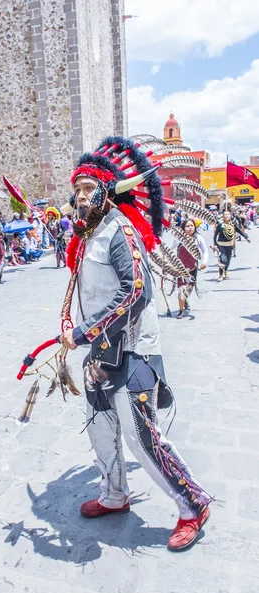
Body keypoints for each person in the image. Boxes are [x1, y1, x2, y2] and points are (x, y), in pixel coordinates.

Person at [58, 136, 212, 552]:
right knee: (100, 428)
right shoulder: (90, 233)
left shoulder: (121, 230)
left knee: (142, 437)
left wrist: (84, 332)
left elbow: (136, 293)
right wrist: (84, 331)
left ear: (108, 190)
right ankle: (114, 495)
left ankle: (193, 504)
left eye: (88, 188)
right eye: (76, 190)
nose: (80, 197)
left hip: (133, 351)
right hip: (101, 353)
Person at [171, 218, 208, 319]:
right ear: (183, 228)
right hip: (180, 270)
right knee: (181, 289)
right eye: (187, 226)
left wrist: (204, 262)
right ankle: (180, 310)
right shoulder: (178, 238)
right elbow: (170, 249)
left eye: (192, 225)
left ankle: (184, 300)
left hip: (193, 269)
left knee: (189, 289)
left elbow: (205, 251)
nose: (190, 227)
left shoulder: (198, 238)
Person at [214, 210, 250, 281]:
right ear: (223, 217)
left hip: (230, 245)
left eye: (228, 214)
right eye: (225, 215)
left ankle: (226, 270)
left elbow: (239, 231)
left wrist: (246, 237)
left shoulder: (233, 224)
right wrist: (215, 244)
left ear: (230, 216)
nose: (226, 216)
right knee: (222, 260)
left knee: (228, 260)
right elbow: (215, 235)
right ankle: (220, 275)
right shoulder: (220, 225)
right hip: (221, 245)